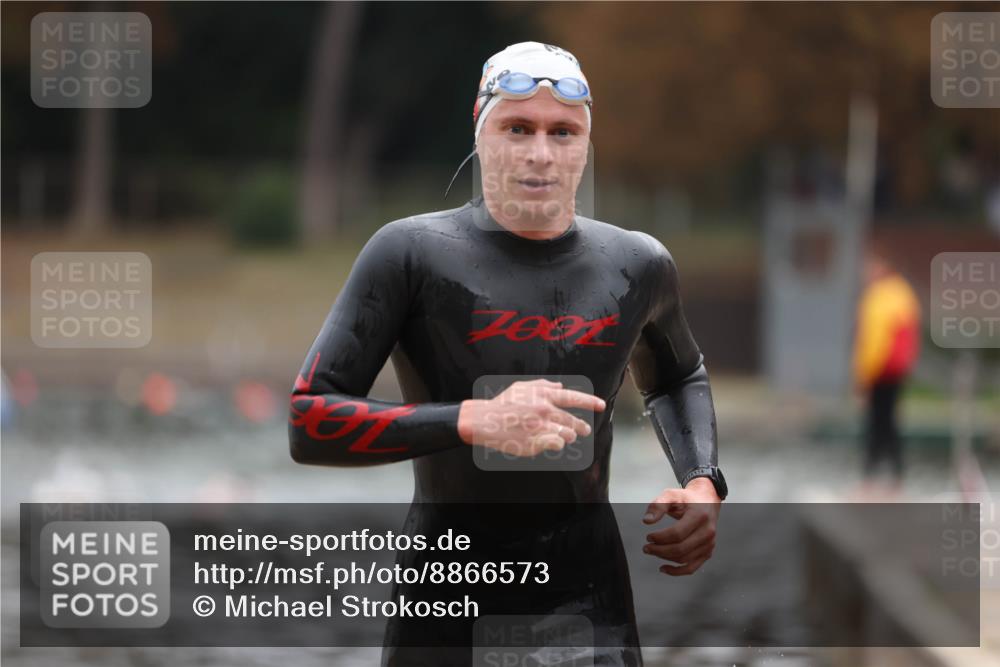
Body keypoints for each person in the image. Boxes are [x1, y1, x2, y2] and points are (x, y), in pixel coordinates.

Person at [288, 41, 727, 666]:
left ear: (585, 145)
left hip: (588, 601)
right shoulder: (409, 254)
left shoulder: (638, 264)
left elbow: (679, 376)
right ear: (481, 131)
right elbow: (309, 419)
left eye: (563, 132)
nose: (540, 153)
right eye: (517, 128)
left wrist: (703, 482)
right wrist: (473, 420)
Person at [852, 244, 921, 494]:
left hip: (879, 371)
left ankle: (869, 479)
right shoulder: (904, 293)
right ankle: (896, 477)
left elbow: (873, 341)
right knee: (889, 422)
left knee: (876, 424)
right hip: (897, 370)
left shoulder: (878, 296)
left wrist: (863, 376)